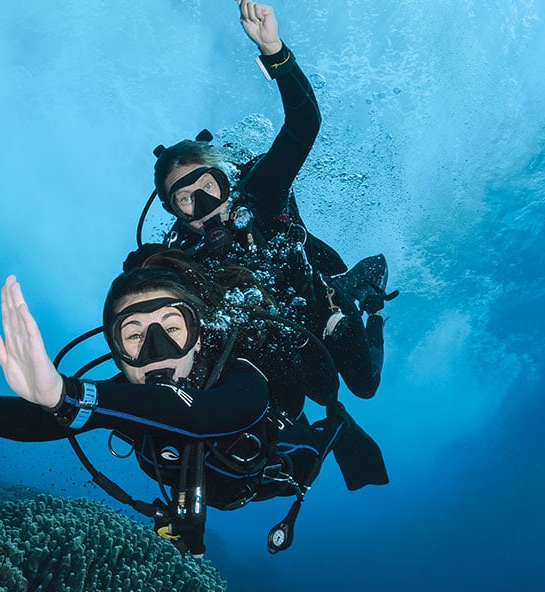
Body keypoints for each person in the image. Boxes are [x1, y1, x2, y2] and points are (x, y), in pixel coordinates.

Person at [0, 250, 385, 557]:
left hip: (285, 466)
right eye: (133, 335)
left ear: (202, 334)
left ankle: (356, 316)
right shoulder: (119, 395)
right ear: (116, 352)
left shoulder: (243, 373)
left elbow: (211, 415)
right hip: (212, 489)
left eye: (173, 326)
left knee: (343, 407)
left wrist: (68, 395)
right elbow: (49, 420)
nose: (157, 349)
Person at [133, 0, 395, 412]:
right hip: (272, 338)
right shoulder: (184, 254)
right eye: (185, 200)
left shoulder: (262, 195)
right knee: (309, 397)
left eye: (209, 187)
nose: (202, 207)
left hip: (317, 304)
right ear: (173, 212)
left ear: (228, 180)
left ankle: (367, 300)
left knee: (365, 386)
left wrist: (274, 51)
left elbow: (304, 123)